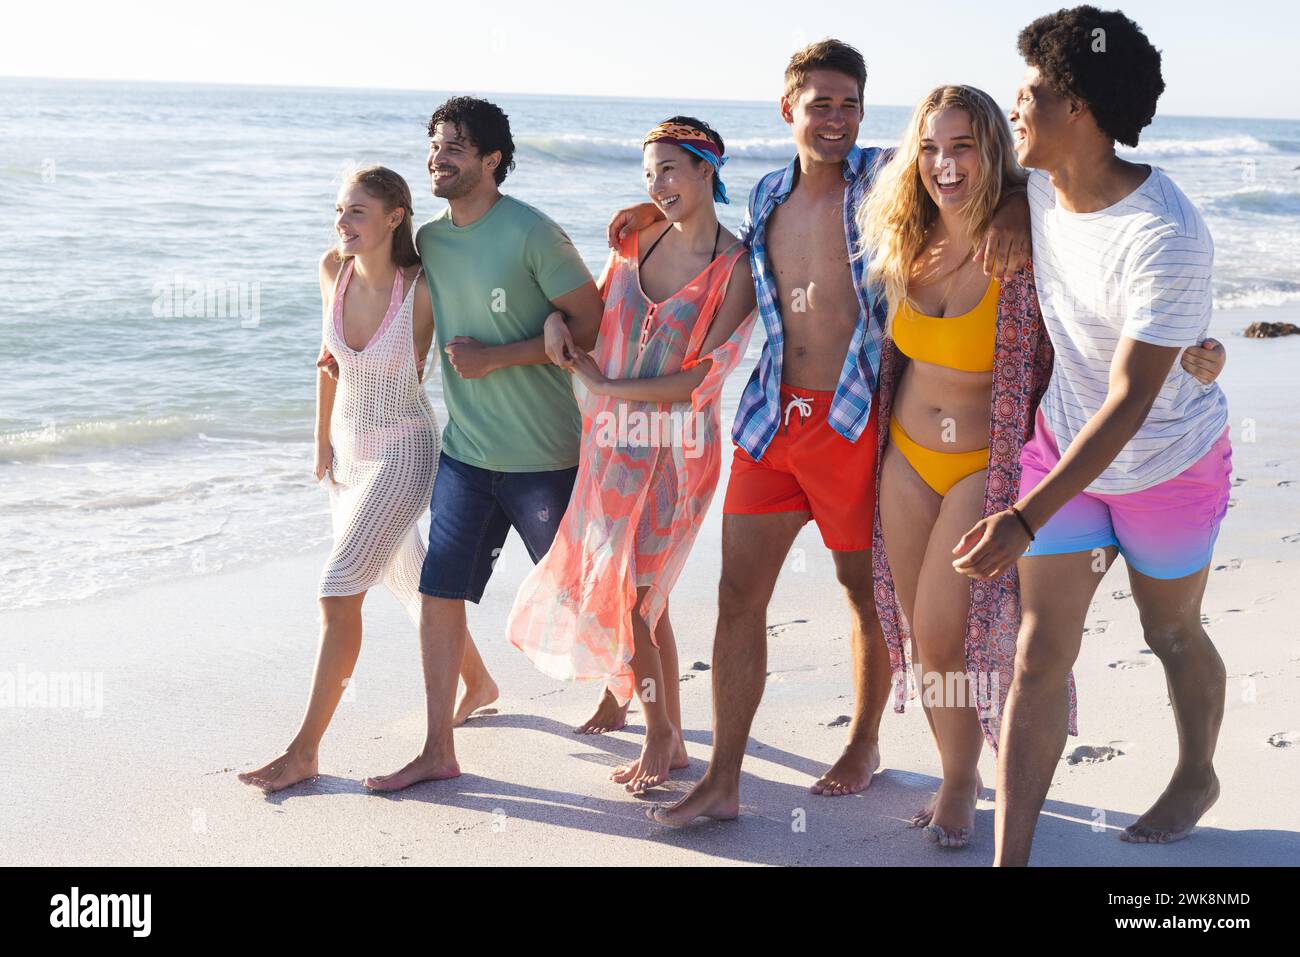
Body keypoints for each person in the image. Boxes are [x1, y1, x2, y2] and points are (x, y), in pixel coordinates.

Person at [609, 39, 1033, 825]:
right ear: (787, 109)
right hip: (774, 418)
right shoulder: (765, 194)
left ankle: (865, 741)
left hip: (854, 424)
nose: (835, 119)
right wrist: (658, 212)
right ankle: (724, 779)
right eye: (820, 104)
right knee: (737, 595)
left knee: (864, 594)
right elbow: (715, 244)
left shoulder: (888, 177)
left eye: (849, 104)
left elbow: (977, 174)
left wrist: (1012, 205)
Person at [857, 87, 1227, 847]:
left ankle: (974, 781)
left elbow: (1102, 320)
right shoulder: (903, 229)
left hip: (990, 464)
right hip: (906, 453)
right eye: (930, 147)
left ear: (995, 148)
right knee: (937, 633)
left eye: (963, 146)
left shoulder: (1027, 236)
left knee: (944, 629)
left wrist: (1193, 349)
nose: (943, 164)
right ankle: (955, 773)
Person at [952, 7, 1233, 865]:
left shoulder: (1166, 238)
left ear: (1076, 107)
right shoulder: (1034, 186)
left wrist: (1025, 517)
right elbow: (938, 172)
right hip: (1063, 444)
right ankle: (1013, 859)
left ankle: (1197, 772)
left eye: (1031, 91)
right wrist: (1003, 202)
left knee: (1170, 631)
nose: (1017, 105)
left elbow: (1132, 401)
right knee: (1039, 654)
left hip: (1167, 464)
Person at [355, 97, 606, 790]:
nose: (440, 156)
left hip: (543, 456)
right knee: (441, 590)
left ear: (492, 159)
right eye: (436, 144)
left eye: (457, 146)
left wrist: (506, 354)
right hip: (465, 454)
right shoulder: (431, 240)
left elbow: (591, 321)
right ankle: (439, 746)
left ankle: (645, 708)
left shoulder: (531, 232)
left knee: (586, 591)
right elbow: (380, 274)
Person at [507, 117, 758, 793]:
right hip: (609, 443)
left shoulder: (737, 268)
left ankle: (659, 737)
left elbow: (705, 375)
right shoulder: (634, 240)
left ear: (708, 170)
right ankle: (659, 724)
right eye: (649, 173)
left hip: (677, 452)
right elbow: (588, 312)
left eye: (671, 169)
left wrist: (613, 386)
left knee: (640, 596)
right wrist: (558, 324)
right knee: (640, 597)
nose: (657, 184)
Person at [239, 166, 438, 792]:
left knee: (337, 587)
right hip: (350, 453)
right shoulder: (335, 270)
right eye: (338, 211)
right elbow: (328, 361)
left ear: (394, 217)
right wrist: (319, 438)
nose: (342, 223)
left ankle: (304, 751)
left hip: (406, 451)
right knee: (410, 581)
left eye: (356, 212)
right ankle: (478, 684)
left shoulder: (423, 289)